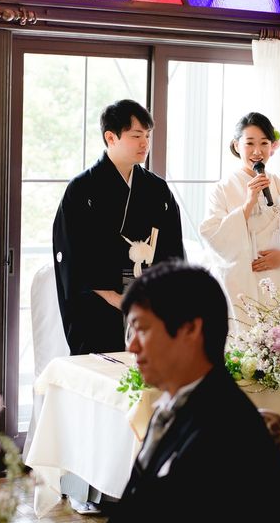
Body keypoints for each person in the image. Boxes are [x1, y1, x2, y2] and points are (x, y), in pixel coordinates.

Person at [100, 259, 280, 523]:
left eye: (142, 329)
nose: (131, 346)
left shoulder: (227, 432)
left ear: (190, 330)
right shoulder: (171, 408)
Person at [53, 99, 185, 355]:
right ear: (111, 137)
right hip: (99, 304)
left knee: (149, 369)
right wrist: (117, 299)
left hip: (148, 304)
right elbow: (73, 255)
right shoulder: (82, 190)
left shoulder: (157, 189)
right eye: (136, 135)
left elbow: (173, 249)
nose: (145, 143)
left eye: (147, 135)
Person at [199, 112, 280, 331]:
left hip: (279, 285)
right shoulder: (222, 189)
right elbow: (212, 235)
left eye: (264, 143)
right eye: (250, 143)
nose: (257, 151)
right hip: (241, 285)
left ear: (272, 146)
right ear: (236, 145)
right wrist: (247, 204)